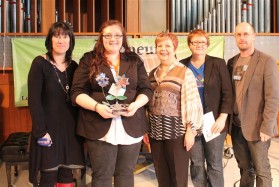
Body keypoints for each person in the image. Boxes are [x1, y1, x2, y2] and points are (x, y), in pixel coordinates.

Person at [71, 20, 153, 187]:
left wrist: (136, 105)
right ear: (101, 38)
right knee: (102, 175)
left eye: (117, 35)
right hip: (98, 124)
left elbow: (146, 89)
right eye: (108, 35)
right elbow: (77, 92)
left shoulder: (133, 60)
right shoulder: (89, 59)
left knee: (125, 173)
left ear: (123, 37)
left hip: (131, 124)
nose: (113, 39)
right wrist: (97, 107)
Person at [28, 21, 85, 187]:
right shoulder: (39, 63)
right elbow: (34, 101)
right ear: (50, 40)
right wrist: (40, 131)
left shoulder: (74, 67)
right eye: (57, 36)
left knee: (67, 175)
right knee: (48, 176)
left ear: (70, 41)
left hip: (70, 130)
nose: (61, 41)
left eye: (65, 36)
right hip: (47, 131)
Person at [143, 32, 203, 187]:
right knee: (162, 176)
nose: (163, 49)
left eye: (167, 45)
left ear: (175, 48)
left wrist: (190, 130)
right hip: (156, 132)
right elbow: (147, 105)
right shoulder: (152, 74)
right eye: (160, 46)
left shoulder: (184, 72)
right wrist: (146, 129)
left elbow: (192, 102)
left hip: (178, 133)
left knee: (178, 177)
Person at [227, 22, 279, 187]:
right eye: (238, 35)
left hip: (258, 127)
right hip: (236, 127)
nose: (242, 38)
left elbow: (273, 97)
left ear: (253, 36)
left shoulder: (266, 61)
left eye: (246, 34)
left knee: (261, 169)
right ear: (235, 37)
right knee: (244, 168)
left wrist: (267, 126)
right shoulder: (231, 62)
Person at [180, 29, 233, 187]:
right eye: (195, 42)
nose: (199, 45)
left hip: (214, 121)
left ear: (207, 45)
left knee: (215, 163)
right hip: (192, 122)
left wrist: (222, 117)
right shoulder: (182, 65)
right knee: (196, 163)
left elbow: (228, 92)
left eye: (202, 42)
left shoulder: (218, 63)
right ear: (189, 45)